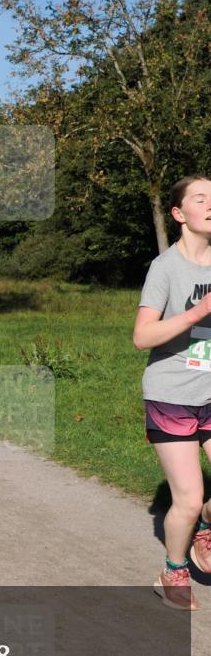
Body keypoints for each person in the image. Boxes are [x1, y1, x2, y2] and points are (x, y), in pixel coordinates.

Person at [133, 175, 211, 610]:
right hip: (172, 396)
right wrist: (198, 311)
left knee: (200, 501)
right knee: (189, 497)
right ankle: (173, 571)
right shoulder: (165, 268)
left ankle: (205, 527)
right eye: (202, 199)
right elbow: (142, 337)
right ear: (179, 214)